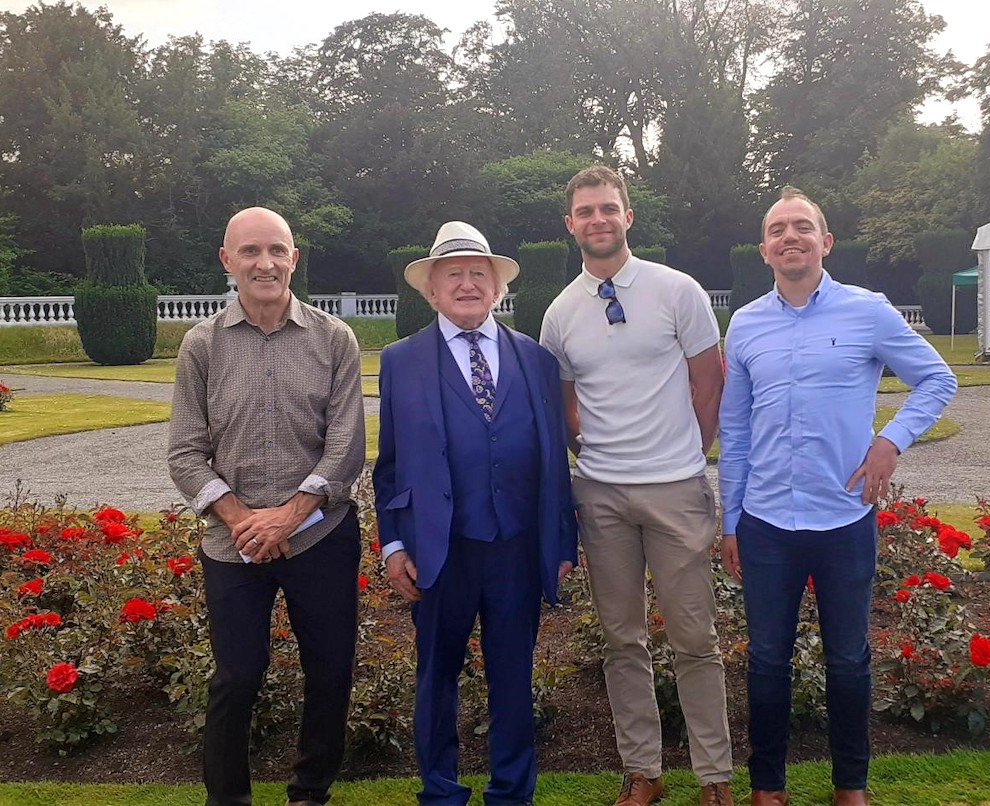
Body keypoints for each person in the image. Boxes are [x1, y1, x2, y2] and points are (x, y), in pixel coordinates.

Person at [718, 187, 958, 806]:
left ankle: (850, 787)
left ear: (825, 242)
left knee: (849, 660)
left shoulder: (868, 312)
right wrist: (731, 519)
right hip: (767, 521)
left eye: (803, 227)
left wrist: (891, 441)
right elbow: (737, 431)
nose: (790, 236)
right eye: (777, 229)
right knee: (767, 659)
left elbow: (937, 377)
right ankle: (767, 787)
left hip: (844, 518)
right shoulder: (744, 324)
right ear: (765, 248)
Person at [540, 166, 733, 806]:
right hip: (601, 495)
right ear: (571, 225)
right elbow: (565, 406)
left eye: (608, 209)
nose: (598, 219)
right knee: (623, 639)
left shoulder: (678, 291)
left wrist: (687, 450)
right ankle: (644, 772)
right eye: (586, 212)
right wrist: (595, 451)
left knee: (694, 638)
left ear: (628, 216)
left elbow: (710, 383)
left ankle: (714, 779)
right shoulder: (561, 312)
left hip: (675, 488)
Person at [373, 221, 577, 806]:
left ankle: (512, 792)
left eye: (478, 275)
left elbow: (554, 463)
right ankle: (440, 791)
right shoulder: (401, 361)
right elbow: (388, 466)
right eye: (453, 275)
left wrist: (561, 543)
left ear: (497, 289)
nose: (467, 284)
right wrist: (393, 544)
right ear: (432, 290)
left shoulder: (536, 359)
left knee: (513, 678)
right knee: (437, 677)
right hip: (439, 550)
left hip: (515, 549)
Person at [168, 206, 366, 806]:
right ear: (228, 261)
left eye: (277, 250)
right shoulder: (201, 345)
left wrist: (288, 515)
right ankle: (228, 799)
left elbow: (346, 449)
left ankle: (310, 792)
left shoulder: (334, 339)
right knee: (236, 677)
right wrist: (242, 520)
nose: (265, 263)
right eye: (250, 251)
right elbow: (185, 453)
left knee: (329, 674)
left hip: (320, 537)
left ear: (293, 259)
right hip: (232, 545)